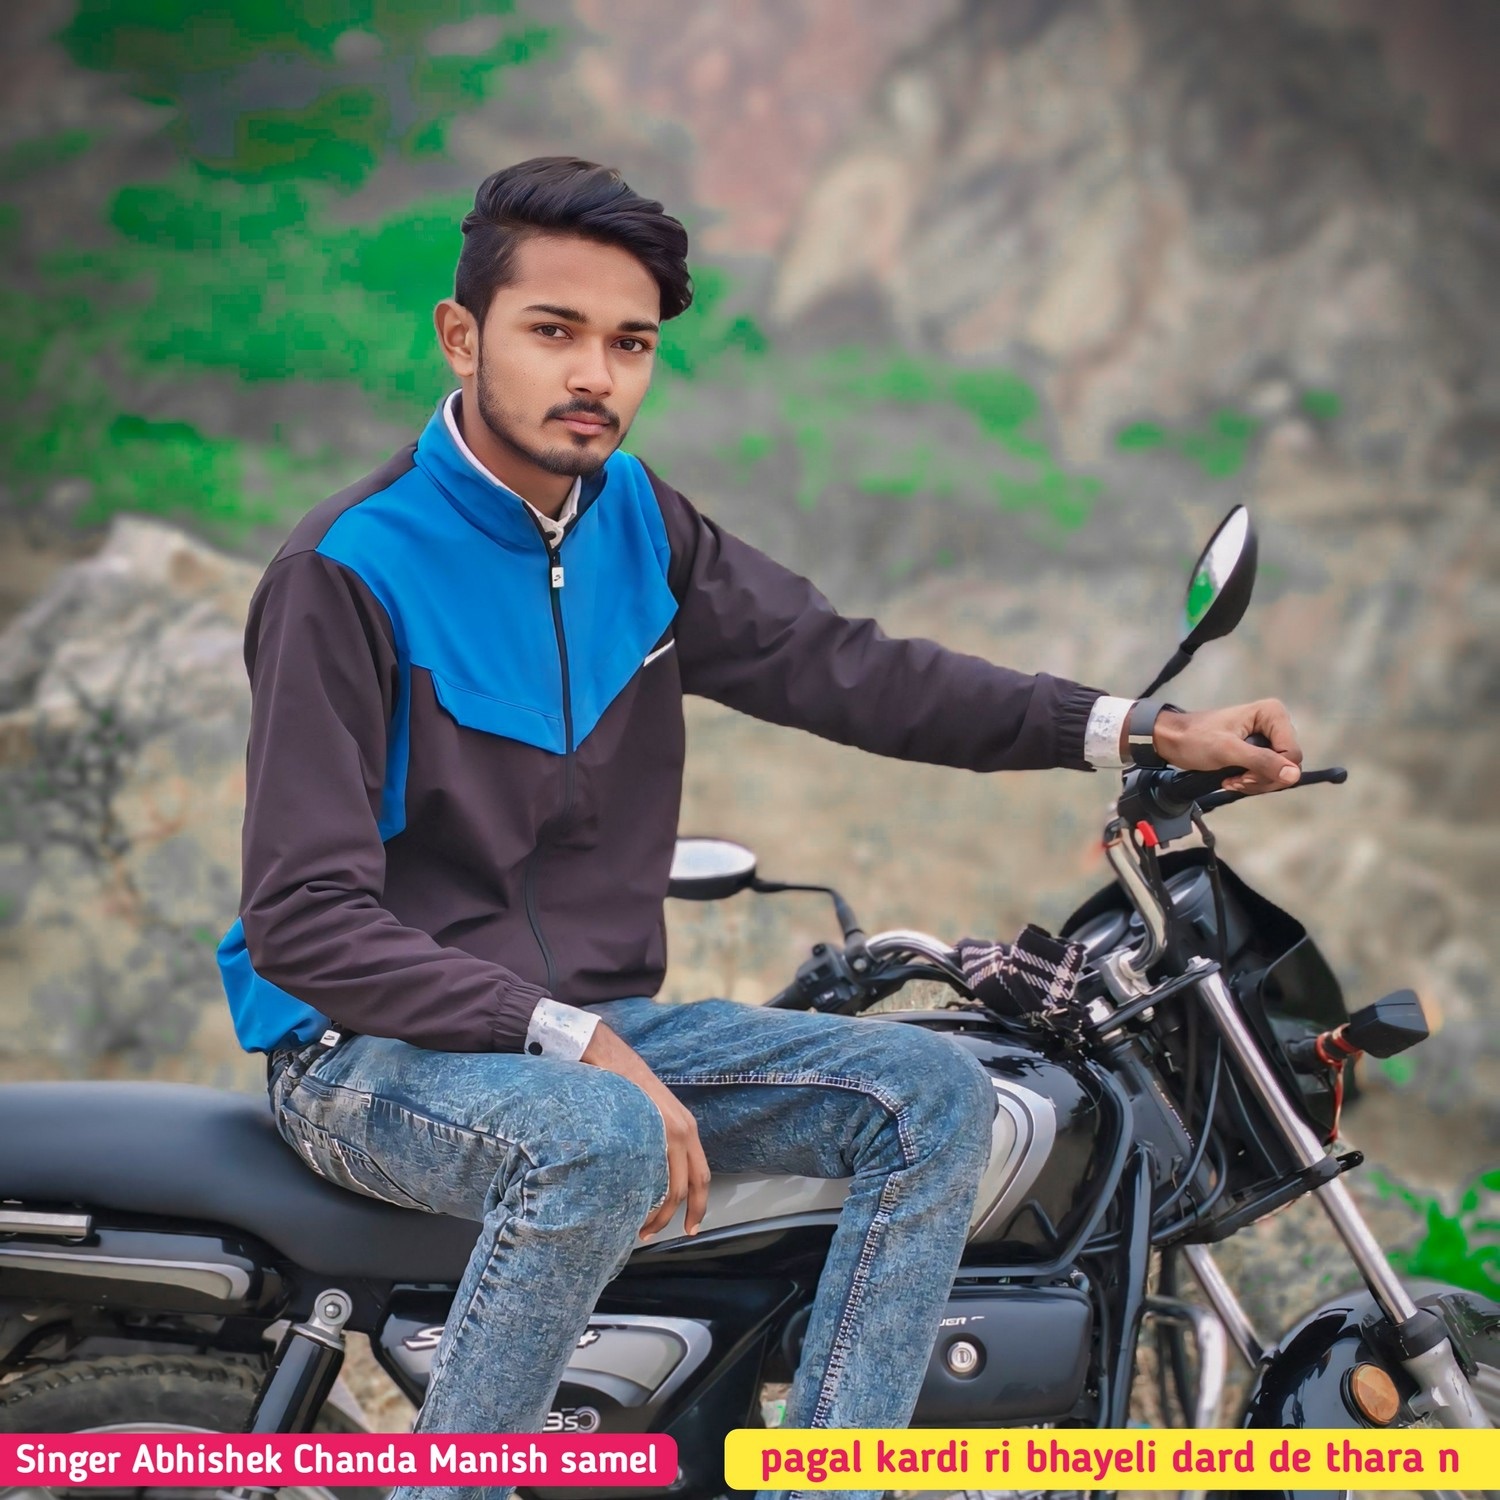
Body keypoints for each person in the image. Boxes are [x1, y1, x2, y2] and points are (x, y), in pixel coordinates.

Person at [218, 156, 1303, 1498]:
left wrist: (1138, 726)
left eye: (629, 344)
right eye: (554, 331)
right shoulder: (346, 570)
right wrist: (567, 1038)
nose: (595, 376)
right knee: (600, 1136)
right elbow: (304, 922)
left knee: (936, 1097)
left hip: (588, 1028)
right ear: (462, 335)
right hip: (367, 1053)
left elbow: (851, 669)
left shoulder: (637, 524)